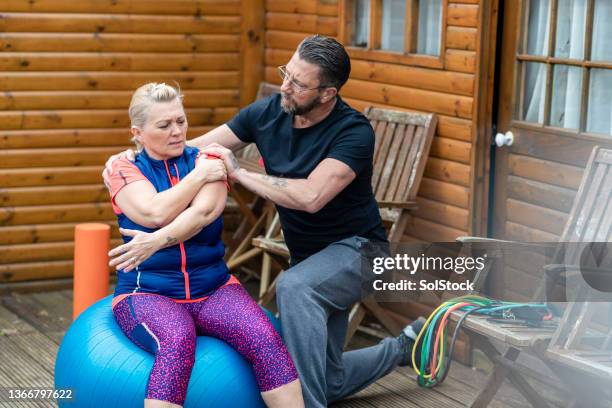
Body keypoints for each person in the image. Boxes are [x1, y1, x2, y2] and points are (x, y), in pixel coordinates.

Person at [105, 36, 424, 408]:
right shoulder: (270, 111)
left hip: (359, 253)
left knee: (293, 289)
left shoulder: (353, 132)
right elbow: (192, 149)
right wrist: (134, 157)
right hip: (310, 259)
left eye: (298, 83)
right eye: (286, 74)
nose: (285, 86)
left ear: (327, 93)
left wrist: (238, 172)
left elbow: (310, 197)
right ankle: (404, 347)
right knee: (326, 378)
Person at [104, 82, 304, 408]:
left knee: (266, 337)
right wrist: (198, 177)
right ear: (138, 133)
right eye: (164, 125)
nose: (176, 131)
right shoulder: (124, 168)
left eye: (180, 121)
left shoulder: (208, 157)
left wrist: (155, 242)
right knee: (177, 340)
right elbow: (153, 211)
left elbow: (203, 213)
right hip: (146, 294)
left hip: (213, 288)